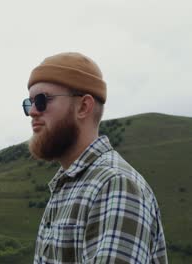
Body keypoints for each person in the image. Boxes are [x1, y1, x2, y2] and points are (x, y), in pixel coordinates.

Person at [22, 52, 168, 263]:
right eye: (30, 102)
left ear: (83, 107)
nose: (32, 112)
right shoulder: (69, 184)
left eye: (42, 100)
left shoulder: (115, 185)